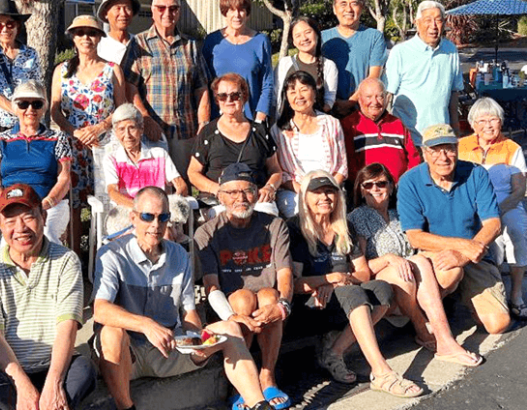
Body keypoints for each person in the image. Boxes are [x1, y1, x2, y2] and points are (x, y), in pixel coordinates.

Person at [92, 186, 275, 410]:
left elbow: (189, 311)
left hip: (169, 349)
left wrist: (195, 339)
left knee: (232, 329)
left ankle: (258, 404)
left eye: (163, 218)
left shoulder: (178, 254)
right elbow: (100, 309)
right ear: (133, 217)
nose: (155, 225)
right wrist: (146, 325)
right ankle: (126, 407)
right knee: (111, 333)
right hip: (128, 356)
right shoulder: (112, 254)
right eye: (147, 216)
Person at [288, 171, 422, 397]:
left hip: (342, 297)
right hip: (312, 304)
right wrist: (331, 280)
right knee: (354, 294)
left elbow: (363, 272)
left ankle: (334, 352)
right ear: (305, 197)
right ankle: (381, 372)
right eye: (317, 192)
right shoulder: (295, 228)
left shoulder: (344, 226)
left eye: (329, 191)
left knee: (382, 290)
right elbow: (295, 284)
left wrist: (343, 281)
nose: (325, 197)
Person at [0, 184, 97, 410]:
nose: (20, 228)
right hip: (6, 370)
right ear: (0, 225)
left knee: (84, 372)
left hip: (52, 365)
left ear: (44, 216)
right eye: (10, 221)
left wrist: (53, 383)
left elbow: (67, 326)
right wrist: (23, 387)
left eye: (29, 217)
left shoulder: (66, 261)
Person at [349, 164, 482, 366]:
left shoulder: (398, 214)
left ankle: (427, 324)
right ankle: (439, 336)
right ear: (361, 189)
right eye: (368, 185)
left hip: (412, 272)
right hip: (381, 278)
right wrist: (389, 259)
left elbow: (417, 244)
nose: (375, 189)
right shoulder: (358, 216)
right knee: (413, 266)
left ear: (391, 187)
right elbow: (360, 267)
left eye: (381, 183)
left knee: (451, 270)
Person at [195, 163, 294, 410]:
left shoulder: (274, 225)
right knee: (241, 298)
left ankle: (267, 376)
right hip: (231, 307)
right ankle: (242, 385)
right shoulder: (206, 232)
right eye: (232, 192)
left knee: (270, 295)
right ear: (220, 196)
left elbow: (285, 274)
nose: (240, 198)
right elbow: (211, 286)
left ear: (257, 192)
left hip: (268, 305)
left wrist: (283, 305)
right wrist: (234, 316)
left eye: (247, 191)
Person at [398, 124, 511, 335]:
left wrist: (464, 254)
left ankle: (462, 297)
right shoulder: (409, 181)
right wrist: (462, 246)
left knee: (498, 324)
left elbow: (493, 224)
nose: (443, 157)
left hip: (474, 257)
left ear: (457, 149)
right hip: (437, 257)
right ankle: (431, 314)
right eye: (435, 150)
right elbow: (415, 237)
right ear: (424, 152)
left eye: (449, 148)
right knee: (449, 272)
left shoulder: (476, 174)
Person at [50, 14, 125, 257]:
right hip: (73, 146)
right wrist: (75, 132)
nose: (86, 38)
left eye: (91, 33)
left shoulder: (113, 70)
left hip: (105, 145)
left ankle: (102, 254)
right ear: (73, 37)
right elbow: (54, 109)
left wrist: (99, 128)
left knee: (105, 203)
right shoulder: (61, 71)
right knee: (72, 203)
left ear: (99, 37)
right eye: (80, 33)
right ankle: (74, 257)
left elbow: (121, 109)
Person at [123, 0, 211, 179]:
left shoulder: (191, 46)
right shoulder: (138, 43)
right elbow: (129, 86)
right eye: (161, 8)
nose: (167, 13)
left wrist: (203, 123)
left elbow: (202, 88)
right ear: (153, 10)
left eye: (173, 8)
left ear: (179, 11)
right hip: (151, 131)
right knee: (153, 186)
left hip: (185, 131)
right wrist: (145, 118)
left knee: (183, 188)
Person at [459, 97, 527, 320]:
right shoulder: (462, 147)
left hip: (506, 205)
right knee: (491, 244)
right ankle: (493, 293)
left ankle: (516, 294)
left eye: (494, 119)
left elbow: (518, 190)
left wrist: (495, 211)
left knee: (517, 231)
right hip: (474, 207)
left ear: (501, 122)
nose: (488, 125)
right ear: (473, 124)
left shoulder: (511, 148)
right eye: (482, 120)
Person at [0, 81, 72, 246]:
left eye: (37, 104)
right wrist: (6, 205)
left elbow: (64, 179)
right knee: (8, 241)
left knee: (45, 235)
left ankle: (52, 272)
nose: (30, 109)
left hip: (49, 204)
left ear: (44, 107)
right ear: (15, 107)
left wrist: (44, 205)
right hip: (10, 203)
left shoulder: (57, 139)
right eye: (23, 104)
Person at [187, 73, 281, 216]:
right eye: (222, 96)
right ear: (217, 100)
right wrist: (217, 189)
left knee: (267, 217)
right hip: (220, 202)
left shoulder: (260, 131)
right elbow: (193, 172)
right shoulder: (208, 133)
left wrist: (270, 187)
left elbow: (275, 170)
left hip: (255, 200)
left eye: (235, 95)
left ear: (244, 97)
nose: (229, 100)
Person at [271, 71, 347, 218]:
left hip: (329, 188)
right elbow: (281, 173)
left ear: (314, 92)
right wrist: (307, 192)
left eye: (304, 90)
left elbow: (342, 168)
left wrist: (325, 191)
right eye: (292, 91)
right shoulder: (279, 130)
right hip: (295, 191)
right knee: (301, 217)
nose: (298, 96)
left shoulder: (332, 123)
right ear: (286, 96)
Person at [386, 1, 463, 146]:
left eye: (438, 20)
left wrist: (456, 128)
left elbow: (454, 92)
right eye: (428, 20)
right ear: (417, 23)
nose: (433, 26)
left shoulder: (450, 50)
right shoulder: (400, 52)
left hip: (441, 137)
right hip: (409, 139)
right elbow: (388, 94)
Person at [0, 0, 42, 163]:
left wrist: (29, 115)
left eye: (10, 24)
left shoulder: (30, 54)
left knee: (23, 169)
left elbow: (36, 87)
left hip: (26, 124)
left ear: (18, 26)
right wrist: (19, 110)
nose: (4, 29)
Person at [202, 0, 274, 122]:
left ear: (247, 13)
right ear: (225, 13)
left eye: (241, 10)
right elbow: (203, 83)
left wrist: (260, 117)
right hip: (218, 119)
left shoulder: (261, 41)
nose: (237, 15)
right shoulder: (212, 41)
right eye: (231, 10)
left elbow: (267, 83)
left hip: (250, 119)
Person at [103, 103, 187, 209]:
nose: (127, 135)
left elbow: (181, 185)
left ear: (141, 129)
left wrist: (169, 205)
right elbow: (113, 192)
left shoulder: (159, 155)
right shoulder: (112, 159)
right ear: (116, 133)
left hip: (158, 213)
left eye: (132, 128)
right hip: (128, 212)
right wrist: (139, 208)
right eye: (121, 129)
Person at [321, 0, 386, 118]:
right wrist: (332, 101)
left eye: (354, 3)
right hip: (327, 111)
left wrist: (351, 102)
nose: (348, 9)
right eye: (343, 4)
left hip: (363, 111)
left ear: (361, 8)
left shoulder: (374, 37)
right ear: (334, 9)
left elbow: (374, 76)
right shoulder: (322, 38)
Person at [341, 78, 420, 184]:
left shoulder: (397, 123)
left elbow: (414, 157)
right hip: (367, 191)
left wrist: (405, 183)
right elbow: (348, 163)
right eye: (369, 97)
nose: (375, 102)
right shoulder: (349, 125)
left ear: (386, 99)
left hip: (399, 190)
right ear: (359, 99)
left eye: (379, 96)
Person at [275, 17, 338, 114]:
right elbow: (276, 97)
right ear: (294, 42)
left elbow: (329, 101)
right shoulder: (284, 64)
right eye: (298, 35)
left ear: (317, 34)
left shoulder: (328, 66)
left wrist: (309, 118)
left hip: (316, 124)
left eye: (308, 32)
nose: (304, 38)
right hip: (287, 125)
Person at [96, 0, 141, 65]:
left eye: (127, 8)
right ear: (105, 14)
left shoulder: (140, 43)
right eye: (118, 8)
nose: (123, 14)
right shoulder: (98, 44)